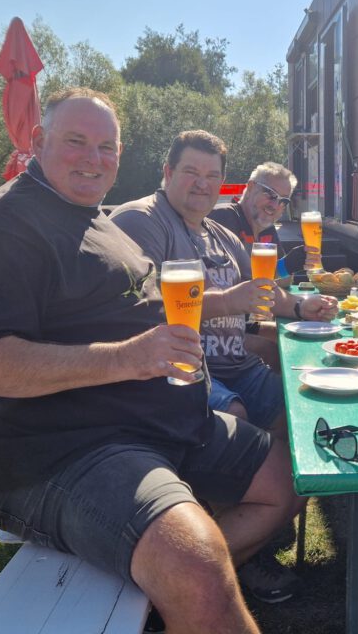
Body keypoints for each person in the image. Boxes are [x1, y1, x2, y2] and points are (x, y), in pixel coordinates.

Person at [0, 88, 304, 633]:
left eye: (106, 146)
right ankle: (192, 587)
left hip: (160, 425)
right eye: (76, 141)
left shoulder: (93, 218)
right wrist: (125, 359)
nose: (94, 158)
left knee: (291, 481)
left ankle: (173, 598)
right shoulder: (3, 226)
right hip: (64, 450)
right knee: (196, 562)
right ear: (38, 140)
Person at [110, 129, 338, 603]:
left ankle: (245, 529)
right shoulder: (142, 220)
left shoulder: (220, 233)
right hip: (184, 367)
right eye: (190, 171)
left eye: (212, 175)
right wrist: (229, 301)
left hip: (237, 365)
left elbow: (261, 290)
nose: (202, 183)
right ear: (167, 172)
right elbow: (139, 306)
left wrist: (301, 306)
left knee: (302, 418)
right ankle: (217, 561)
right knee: (234, 414)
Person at [210, 161, 299, 370]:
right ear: (250, 188)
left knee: (290, 337)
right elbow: (228, 281)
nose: (275, 205)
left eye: (283, 201)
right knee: (273, 348)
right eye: (270, 194)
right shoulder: (223, 218)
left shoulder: (266, 228)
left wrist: (289, 265)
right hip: (217, 327)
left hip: (246, 321)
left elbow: (281, 279)